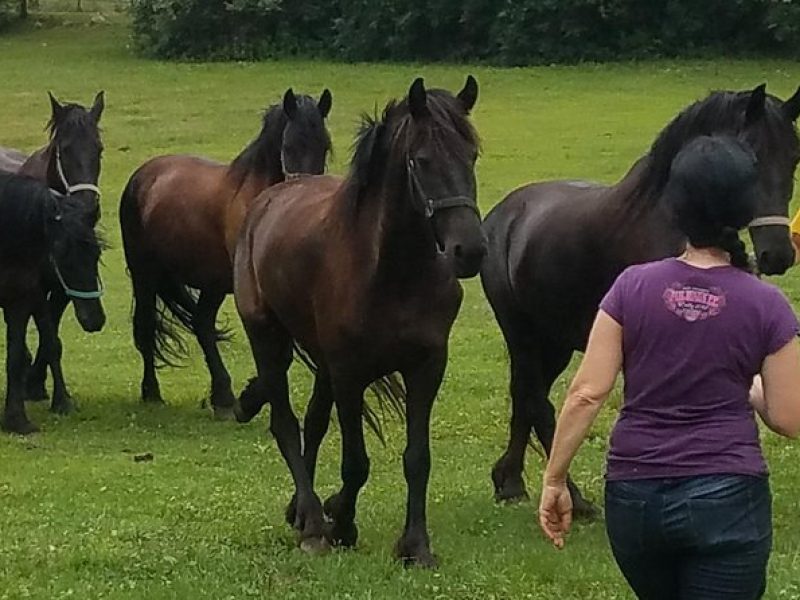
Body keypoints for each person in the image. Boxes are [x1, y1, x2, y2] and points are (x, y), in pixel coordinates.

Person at [538, 135, 800, 600]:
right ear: (745, 212)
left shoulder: (629, 287)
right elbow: (789, 417)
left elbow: (586, 393)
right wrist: (750, 386)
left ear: (674, 207)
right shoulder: (768, 304)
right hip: (727, 499)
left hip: (635, 502)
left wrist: (555, 479)